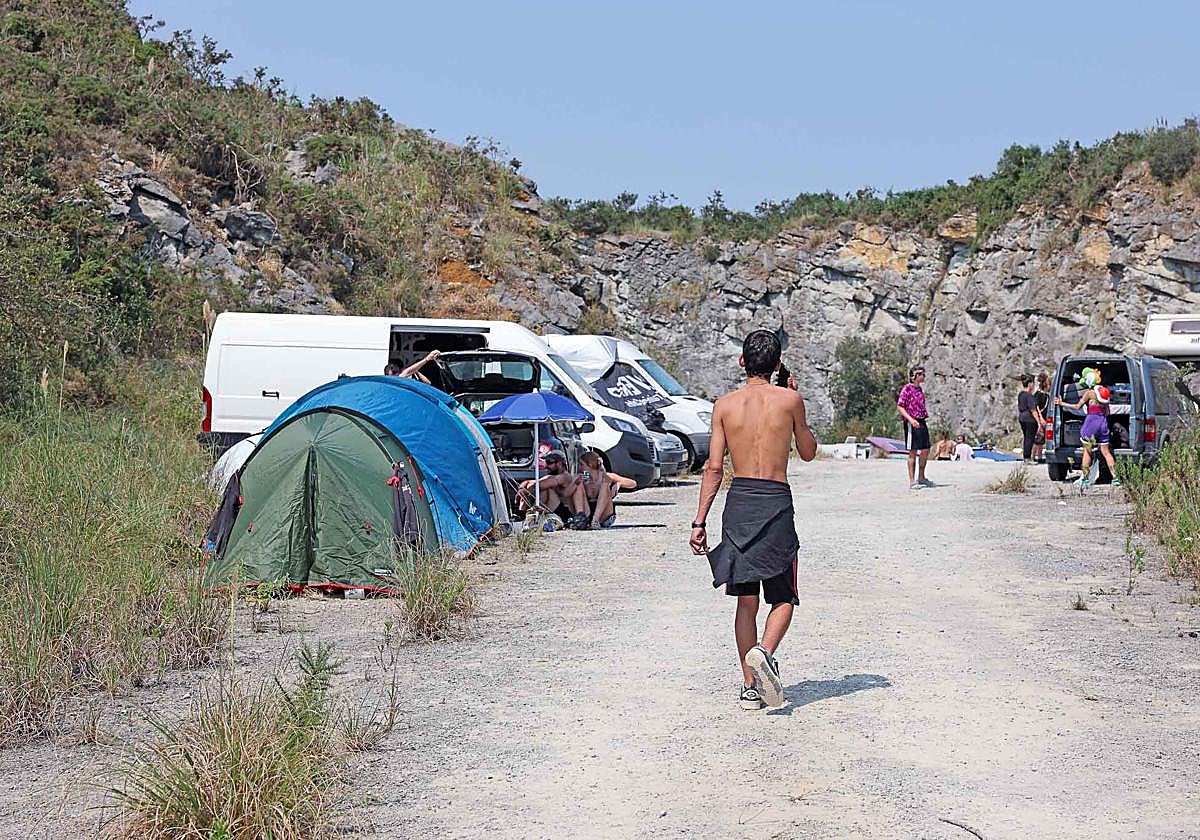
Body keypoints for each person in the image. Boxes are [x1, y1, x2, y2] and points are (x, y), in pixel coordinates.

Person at [690, 330, 817, 710]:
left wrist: (699, 522)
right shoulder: (790, 400)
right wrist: (797, 401)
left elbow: (714, 468)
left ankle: (750, 687)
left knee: (746, 601)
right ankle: (764, 651)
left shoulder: (724, 406)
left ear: (742, 362)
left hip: (740, 504)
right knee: (784, 597)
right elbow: (808, 452)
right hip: (776, 503)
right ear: (777, 365)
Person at [1054, 368, 1120, 488]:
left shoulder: (1089, 393)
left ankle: (1084, 478)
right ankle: (1116, 478)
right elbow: (1108, 412)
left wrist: (1061, 403)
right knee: (1106, 452)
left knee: (1087, 451)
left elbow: (1077, 406)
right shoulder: (1104, 392)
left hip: (1091, 424)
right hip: (1103, 423)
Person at [575, 451, 637, 528]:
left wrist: (619, 483)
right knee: (578, 483)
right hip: (588, 511)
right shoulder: (584, 478)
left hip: (604, 514)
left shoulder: (606, 476)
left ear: (590, 465)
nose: (580, 468)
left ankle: (595, 520)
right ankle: (581, 517)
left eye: (582, 465)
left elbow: (633, 483)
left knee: (605, 483)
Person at [515, 451, 585, 520]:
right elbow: (531, 482)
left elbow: (538, 485)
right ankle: (523, 514)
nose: (546, 466)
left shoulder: (564, 476)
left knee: (545, 490)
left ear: (559, 463)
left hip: (564, 512)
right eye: (546, 462)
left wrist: (525, 491)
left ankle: (527, 514)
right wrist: (521, 489)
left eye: (549, 462)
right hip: (554, 509)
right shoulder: (552, 476)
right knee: (530, 489)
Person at [897, 366, 932, 490]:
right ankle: (912, 481)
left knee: (926, 448)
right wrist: (911, 420)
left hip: (921, 420)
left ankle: (921, 476)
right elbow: (900, 406)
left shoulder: (919, 389)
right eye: (921, 374)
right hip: (911, 421)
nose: (923, 376)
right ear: (914, 376)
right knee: (913, 450)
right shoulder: (907, 389)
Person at [1017, 374, 1039, 463]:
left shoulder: (1021, 394)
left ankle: (1026, 456)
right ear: (1030, 384)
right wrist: (1039, 422)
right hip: (1029, 419)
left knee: (1026, 437)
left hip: (1022, 417)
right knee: (1030, 438)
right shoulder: (1029, 396)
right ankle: (1027, 458)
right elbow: (1033, 410)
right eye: (1033, 383)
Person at [1031, 372, 1050, 463]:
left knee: (1041, 439)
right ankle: (1032, 456)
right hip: (1039, 418)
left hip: (1044, 418)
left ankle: (1039, 456)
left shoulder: (1046, 395)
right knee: (1037, 438)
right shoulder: (1038, 394)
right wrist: (1041, 419)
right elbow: (1036, 407)